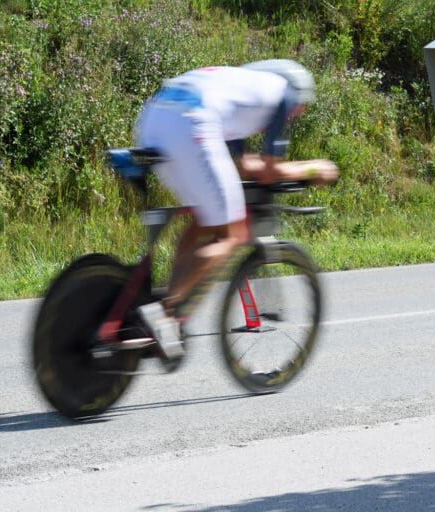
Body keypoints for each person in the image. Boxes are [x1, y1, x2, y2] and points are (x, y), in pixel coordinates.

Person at [134, 59, 338, 365]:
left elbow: (246, 165)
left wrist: (269, 167)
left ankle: (168, 313)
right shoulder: (281, 92)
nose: (295, 116)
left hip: (153, 118)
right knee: (233, 235)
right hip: (192, 122)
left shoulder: (239, 90)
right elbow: (267, 174)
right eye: (300, 110)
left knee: (205, 222)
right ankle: (163, 312)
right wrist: (312, 168)